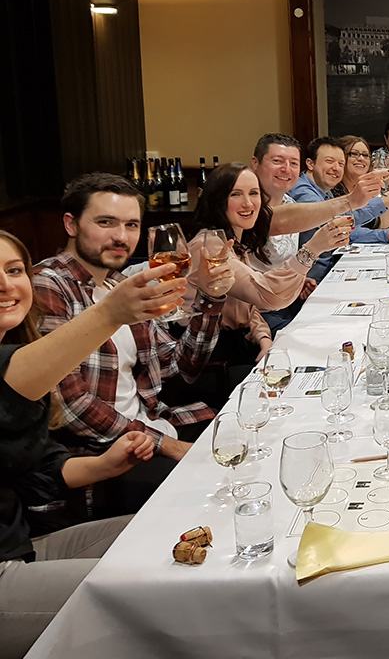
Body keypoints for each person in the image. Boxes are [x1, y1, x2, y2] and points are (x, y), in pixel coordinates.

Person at [0, 229, 183, 657]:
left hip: (21, 546)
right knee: (163, 592)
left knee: (168, 535)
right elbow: (10, 385)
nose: (6, 286)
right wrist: (109, 313)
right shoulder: (19, 369)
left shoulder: (19, 352)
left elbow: (40, 466)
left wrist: (104, 465)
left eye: (13, 270)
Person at [34, 174, 232, 497]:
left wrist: (210, 300)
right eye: (106, 222)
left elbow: (181, 369)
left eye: (131, 225)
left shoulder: (118, 284)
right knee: (214, 486)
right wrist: (166, 444)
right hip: (100, 453)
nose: (121, 236)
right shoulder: (50, 285)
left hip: (151, 424)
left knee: (246, 433)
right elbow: (69, 403)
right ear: (71, 224)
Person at [187, 162, 350, 370]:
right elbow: (266, 294)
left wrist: (265, 340)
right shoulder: (208, 246)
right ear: (217, 200)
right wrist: (312, 250)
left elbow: (246, 309)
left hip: (241, 347)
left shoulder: (234, 240)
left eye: (253, 193)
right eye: (236, 194)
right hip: (211, 362)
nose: (248, 203)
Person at [248, 132, 386, 333]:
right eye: (277, 161)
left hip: (292, 299)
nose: (286, 169)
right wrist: (351, 202)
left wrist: (298, 280)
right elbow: (274, 222)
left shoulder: (290, 201)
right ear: (255, 163)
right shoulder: (247, 209)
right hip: (259, 316)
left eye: (293, 163)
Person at [289, 136, 389, 283]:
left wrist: (385, 235)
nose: (336, 168)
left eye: (340, 164)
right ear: (310, 164)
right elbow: (333, 225)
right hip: (312, 281)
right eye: (329, 161)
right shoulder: (303, 191)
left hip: (327, 273)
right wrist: (383, 202)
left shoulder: (324, 190)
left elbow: (346, 229)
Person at [336, 135, 389, 233]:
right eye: (354, 154)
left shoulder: (366, 188)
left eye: (365, 155)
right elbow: (346, 228)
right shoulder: (334, 191)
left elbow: (381, 223)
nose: (361, 158)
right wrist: (385, 201)